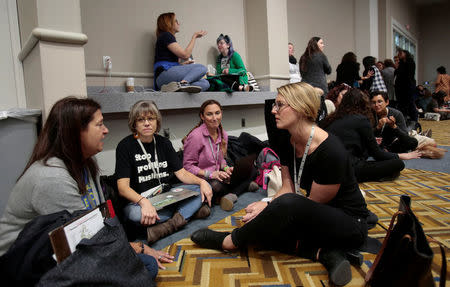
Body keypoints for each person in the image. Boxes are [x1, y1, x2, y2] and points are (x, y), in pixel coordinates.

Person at [191, 82, 370, 286]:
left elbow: (307, 206)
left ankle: (230, 240)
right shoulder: (289, 140)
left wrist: (268, 209)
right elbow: (287, 187)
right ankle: (325, 253)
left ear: (301, 108)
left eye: (280, 105)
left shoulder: (330, 150)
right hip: (316, 213)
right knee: (268, 221)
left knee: (273, 219)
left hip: (349, 222)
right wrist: (269, 209)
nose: (274, 110)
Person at [0, 97, 172, 279]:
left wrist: (127, 246)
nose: (106, 130)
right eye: (99, 125)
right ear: (75, 133)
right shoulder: (51, 178)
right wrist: (139, 247)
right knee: (146, 266)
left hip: (68, 248)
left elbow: (103, 216)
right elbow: (84, 240)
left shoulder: (88, 163)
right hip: (26, 265)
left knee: (146, 265)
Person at [115, 100, 213, 244]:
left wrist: (202, 181)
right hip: (141, 201)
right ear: (134, 124)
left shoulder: (164, 143)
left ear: (157, 121)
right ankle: (186, 213)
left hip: (167, 196)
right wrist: (144, 203)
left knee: (204, 188)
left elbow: (182, 174)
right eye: (141, 119)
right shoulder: (125, 146)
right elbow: (123, 188)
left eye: (151, 118)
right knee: (134, 215)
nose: (147, 123)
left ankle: (168, 225)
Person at [321, 89, 421, 183]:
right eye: (373, 102)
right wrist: (402, 156)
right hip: (347, 168)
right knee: (397, 164)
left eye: (379, 102)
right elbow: (376, 153)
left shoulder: (332, 118)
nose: (376, 105)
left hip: (327, 166)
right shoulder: (361, 119)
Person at [183, 100, 257, 211]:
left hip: (218, 175)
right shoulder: (195, 137)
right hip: (202, 179)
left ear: (221, 113)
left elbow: (221, 160)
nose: (214, 118)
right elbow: (187, 167)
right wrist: (211, 174)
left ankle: (231, 193)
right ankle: (240, 188)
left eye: (217, 113)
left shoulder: (223, 134)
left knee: (253, 170)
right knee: (216, 186)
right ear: (202, 116)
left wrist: (227, 169)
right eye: (209, 114)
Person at [153, 12, 209, 93]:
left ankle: (177, 88)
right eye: (176, 21)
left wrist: (183, 65)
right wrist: (194, 37)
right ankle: (183, 84)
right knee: (202, 68)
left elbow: (172, 62)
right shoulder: (166, 35)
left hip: (166, 79)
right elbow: (185, 55)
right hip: (163, 76)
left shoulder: (165, 37)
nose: (178, 23)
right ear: (168, 23)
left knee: (205, 83)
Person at [395, 49, 418, 123]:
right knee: (401, 104)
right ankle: (403, 120)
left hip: (408, 86)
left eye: (401, 53)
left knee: (410, 103)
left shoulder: (410, 62)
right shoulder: (401, 63)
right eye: (399, 54)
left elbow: (409, 75)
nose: (399, 55)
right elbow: (396, 73)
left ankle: (414, 120)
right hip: (400, 87)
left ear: (406, 54)